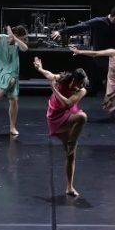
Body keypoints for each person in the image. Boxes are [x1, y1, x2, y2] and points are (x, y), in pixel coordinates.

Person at [34, 57, 88, 196]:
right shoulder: (64, 78)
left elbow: (68, 103)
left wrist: (54, 90)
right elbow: (50, 75)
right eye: (79, 83)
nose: (80, 86)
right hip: (55, 116)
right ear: (74, 80)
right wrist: (40, 68)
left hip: (69, 113)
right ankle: (71, 142)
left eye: (82, 84)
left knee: (71, 154)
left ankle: (69, 187)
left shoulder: (82, 90)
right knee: (82, 118)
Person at [51, 6, 115, 97]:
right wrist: (61, 31)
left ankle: (110, 89)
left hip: (112, 56)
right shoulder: (100, 21)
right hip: (100, 56)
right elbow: (82, 26)